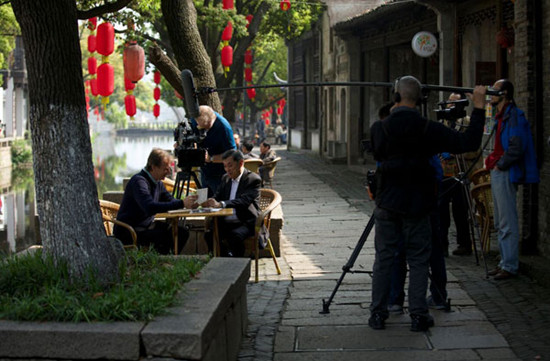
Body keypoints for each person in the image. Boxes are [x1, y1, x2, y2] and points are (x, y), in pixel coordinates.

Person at [368, 75, 487, 332]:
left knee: (384, 259)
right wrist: (478, 108)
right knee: (419, 260)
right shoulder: (428, 129)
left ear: (396, 97)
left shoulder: (380, 128)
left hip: (387, 202)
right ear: (420, 99)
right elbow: (468, 143)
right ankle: (418, 315)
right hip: (418, 203)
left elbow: (377, 154)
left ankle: (378, 313)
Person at [484, 79, 539, 280]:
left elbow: (517, 146)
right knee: (500, 220)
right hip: (499, 169)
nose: (490, 94)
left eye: (494, 91)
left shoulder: (514, 116)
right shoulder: (502, 117)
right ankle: (503, 261)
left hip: (506, 171)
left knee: (507, 220)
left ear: (505, 93)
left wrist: (502, 163)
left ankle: (509, 264)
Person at [114, 148, 198, 254]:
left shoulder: (158, 183)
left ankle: (168, 261)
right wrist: (181, 203)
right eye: (165, 169)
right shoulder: (139, 182)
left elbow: (170, 200)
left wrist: (188, 204)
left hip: (145, 226)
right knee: (162, 237)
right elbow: (149, 207)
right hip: (130, 230)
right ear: (153, 167)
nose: (168, 173)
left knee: (182, 233)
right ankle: (163, 261)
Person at [201, 149, 262, 257]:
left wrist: (222, 204)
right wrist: (209, 202)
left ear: (241, 163)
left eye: (230, 166)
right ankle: (224, 259)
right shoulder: (225, 178)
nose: (227, 170)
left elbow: (244, 201)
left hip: (245, 221)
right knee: (209, 235)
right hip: (226, 221)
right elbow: (218, 196)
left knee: (235, 236)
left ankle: (237, 264)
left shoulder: (253, 179)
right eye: (225, 166)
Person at [438, 93, 477, 256]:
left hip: (461, 173)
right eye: (449, 102)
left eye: (455, 102)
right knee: (441, 211)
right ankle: (442, 244)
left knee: (461, 211)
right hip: (444, 174)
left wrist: (455, 153)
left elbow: (473, 150)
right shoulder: (442, 123)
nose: (451, 105)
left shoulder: (466, 122)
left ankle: (464, 243)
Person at [193, 105, 236, 196]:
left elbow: (232, 155)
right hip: (204, 171)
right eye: (201, 128)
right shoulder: (196, 120)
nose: (204, 130)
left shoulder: (224, 128)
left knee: (219, 202)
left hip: (220, 174)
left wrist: (211, 158)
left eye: (206, 127)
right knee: (204, 202)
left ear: (211, 119)